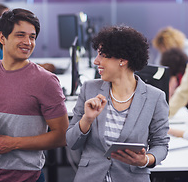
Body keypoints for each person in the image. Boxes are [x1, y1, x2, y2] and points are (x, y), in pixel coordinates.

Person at [0, 8, 69, 182]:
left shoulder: (46, 81)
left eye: (32, 37)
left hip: (28, 178)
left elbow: (62, 136)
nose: (28, 42)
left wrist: (13, 143)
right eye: (20, 35)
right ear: (2, 37)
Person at [66, 25, 170, 182]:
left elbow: (161, 144)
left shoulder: (155, 97)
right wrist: (86, 120)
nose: (96, 61)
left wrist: (146, 159)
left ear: (122, 60)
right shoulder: (89, 89)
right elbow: (71, 142)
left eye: (102, 55)